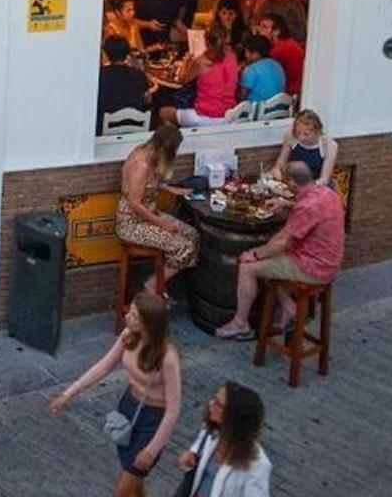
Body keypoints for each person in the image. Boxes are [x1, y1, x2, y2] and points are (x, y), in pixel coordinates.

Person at [49, 293, 183, 497]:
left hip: (151, 421)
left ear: (149, 324)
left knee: (122, 492)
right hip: (129, 411)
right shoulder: (128, 337)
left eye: (135, 315)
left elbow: (173, 410)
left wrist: (153, 448)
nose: (128, 317)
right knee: (134, 484)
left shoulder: (167, 358)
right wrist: (68, 394)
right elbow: (102, 367)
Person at [214, 158, 345, 340]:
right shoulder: (326, 193)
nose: (284, 185)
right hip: (328, 260)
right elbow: (312, 212)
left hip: (313, 266)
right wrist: (287, 204)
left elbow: (281, 242)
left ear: (292, 182)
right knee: (271, 263)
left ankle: (240, 323)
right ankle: (289, 308)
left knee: (247, 267)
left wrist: (254, 254)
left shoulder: (307, 207)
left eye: (285, 182)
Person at [115, 124, 199, 290]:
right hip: (132, 223)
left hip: (149, 215)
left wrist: (168, 188)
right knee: (185, 247)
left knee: (193, 235)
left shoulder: (150, 154)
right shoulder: (141, 164)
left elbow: (147, 184)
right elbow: (135, 203)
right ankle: (152, 286)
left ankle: (162, 280)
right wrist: (162, 224)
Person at [173, 35, 241, 127]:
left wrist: (186, 61)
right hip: (228, 114)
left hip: (204, 115)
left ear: (206, 43)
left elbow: (181, 79)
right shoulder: (232, 58)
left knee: (164, 113)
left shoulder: (202, 62)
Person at [98, 36, 151, 133]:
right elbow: (148, 100)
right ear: (127, 53)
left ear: (106, 53)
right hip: (135, 125)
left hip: (104, 127)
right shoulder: (138, 74)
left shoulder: (100, 74)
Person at [274, 110, 338, 184]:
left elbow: (324, 180)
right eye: (298, 133)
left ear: (317, 131)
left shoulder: (328, 145)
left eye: (306, 134)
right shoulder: (291, 136)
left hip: (317, 185)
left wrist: (305, 189)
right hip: (294, 182)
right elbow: (281, 163)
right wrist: (277, 172)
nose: (301, 138)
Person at [255, 14, 305, 95]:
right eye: (259, 26)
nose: (260, 30)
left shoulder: (278, 50)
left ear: (276, 32)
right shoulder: (290, 42)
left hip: (288, 92)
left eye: (264, 27)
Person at [237, 33, 286, 105]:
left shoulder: (251, 69)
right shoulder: (278, 65)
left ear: (254, 53)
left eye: (246, 51)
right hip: (279, 109)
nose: (245, 55)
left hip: (258, 112)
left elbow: (242, 97)